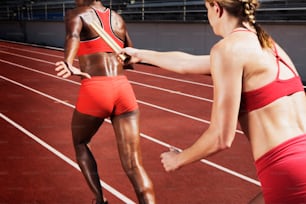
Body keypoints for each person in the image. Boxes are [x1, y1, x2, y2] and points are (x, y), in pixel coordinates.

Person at [122, 0, 306, 203]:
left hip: (286, 172)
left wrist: (178, 159)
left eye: (206, 9)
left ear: (216, 8)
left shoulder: (228, 50)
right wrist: (140, 55)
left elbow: (221, 137)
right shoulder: (268, 45)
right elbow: (187, 63)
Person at [54, 0, 156, 204]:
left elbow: (72, 36)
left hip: (96, 88)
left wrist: (69, 62)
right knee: (135, 165)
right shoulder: (118, 19)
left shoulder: (76, 13)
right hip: (123, 89)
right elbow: (130, 56)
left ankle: (99, 201)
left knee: (81, 142)